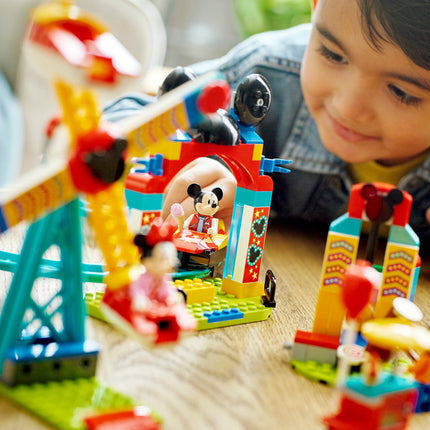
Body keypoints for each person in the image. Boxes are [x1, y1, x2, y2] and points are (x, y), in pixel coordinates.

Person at [104, 0, 430, 252]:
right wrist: (192, 160)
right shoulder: (264, 77)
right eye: (333, 55)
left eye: (402, 92)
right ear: (316, 8)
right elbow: (113, 129)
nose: (347, 107)